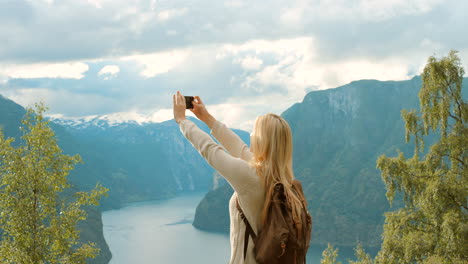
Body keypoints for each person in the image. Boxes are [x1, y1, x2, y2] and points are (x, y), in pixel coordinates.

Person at [173, 91, 306, 264]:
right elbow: (241, 149)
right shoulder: (286, 181)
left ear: (263, 141)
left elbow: (210, 150)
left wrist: (182, 121)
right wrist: (206, 117)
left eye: (254, 132)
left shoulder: (252, 178)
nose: (250, 136)